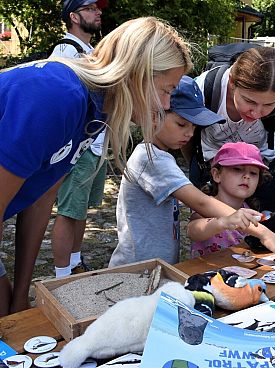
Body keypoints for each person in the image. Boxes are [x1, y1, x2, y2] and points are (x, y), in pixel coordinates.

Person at [0, 16, 191, 317]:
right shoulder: (60, 96)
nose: (166, 105)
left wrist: (20, 295)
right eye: (166, 90)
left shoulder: (95, 111)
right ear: (138, 74)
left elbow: (40, 200)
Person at [108, 77, 275, 268]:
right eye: (181, 124)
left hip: (154, 265)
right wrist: (265, 233)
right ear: (154, 115)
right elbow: (200, 202)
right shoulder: (151, 158)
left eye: (194, 127)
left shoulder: (161, 156)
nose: (189, 134)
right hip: (136, 268)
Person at [191, 47, 275, 256]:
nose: (256, 113)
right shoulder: (203, 88)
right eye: (249, 101)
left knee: (260, 246)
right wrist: (201, 171)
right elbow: (185, 139)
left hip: (260, 169)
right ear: (232, 83)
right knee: (212, 241)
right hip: (212, 167)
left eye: (268, 105)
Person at [49, 0, 109, 278]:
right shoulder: (66, 51)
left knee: (81, 209)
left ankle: (75, 263)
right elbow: (57, 100)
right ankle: (62, 277)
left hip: (95, 144)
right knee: (69, 210)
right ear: (74, 17)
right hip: (79, 147)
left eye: (97, 9)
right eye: (90, 9)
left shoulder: (88, 50)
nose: (97, 13)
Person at [187, 142, 271, 258]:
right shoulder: (206, 207)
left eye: (253, 173)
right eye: (237, 169)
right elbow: (192, 230)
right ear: (217, 175)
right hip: (208, 274)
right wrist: (224, 221)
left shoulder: (248, 209)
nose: (247, 176)